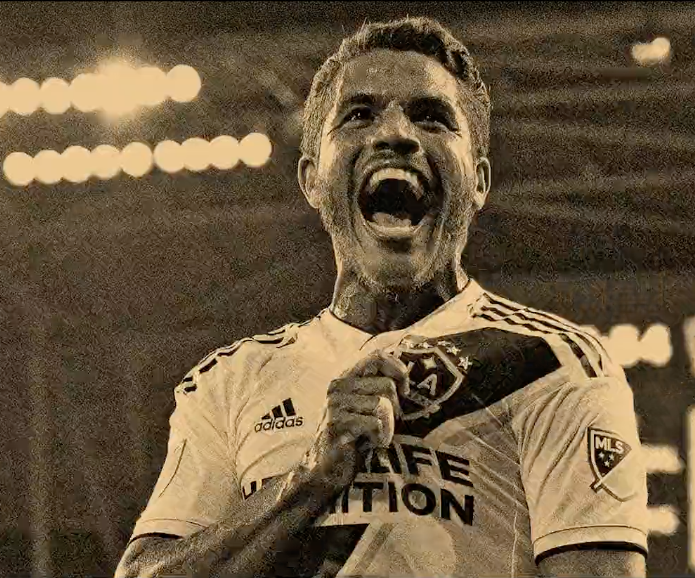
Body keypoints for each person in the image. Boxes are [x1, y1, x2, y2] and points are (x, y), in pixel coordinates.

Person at [116, 16, 647, 578]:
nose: (395, 134)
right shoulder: (228, 382)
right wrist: (311, 478)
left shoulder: (553, 365)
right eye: (359, 115)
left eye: (431, 116)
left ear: (479, 181)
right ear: (312, 179)